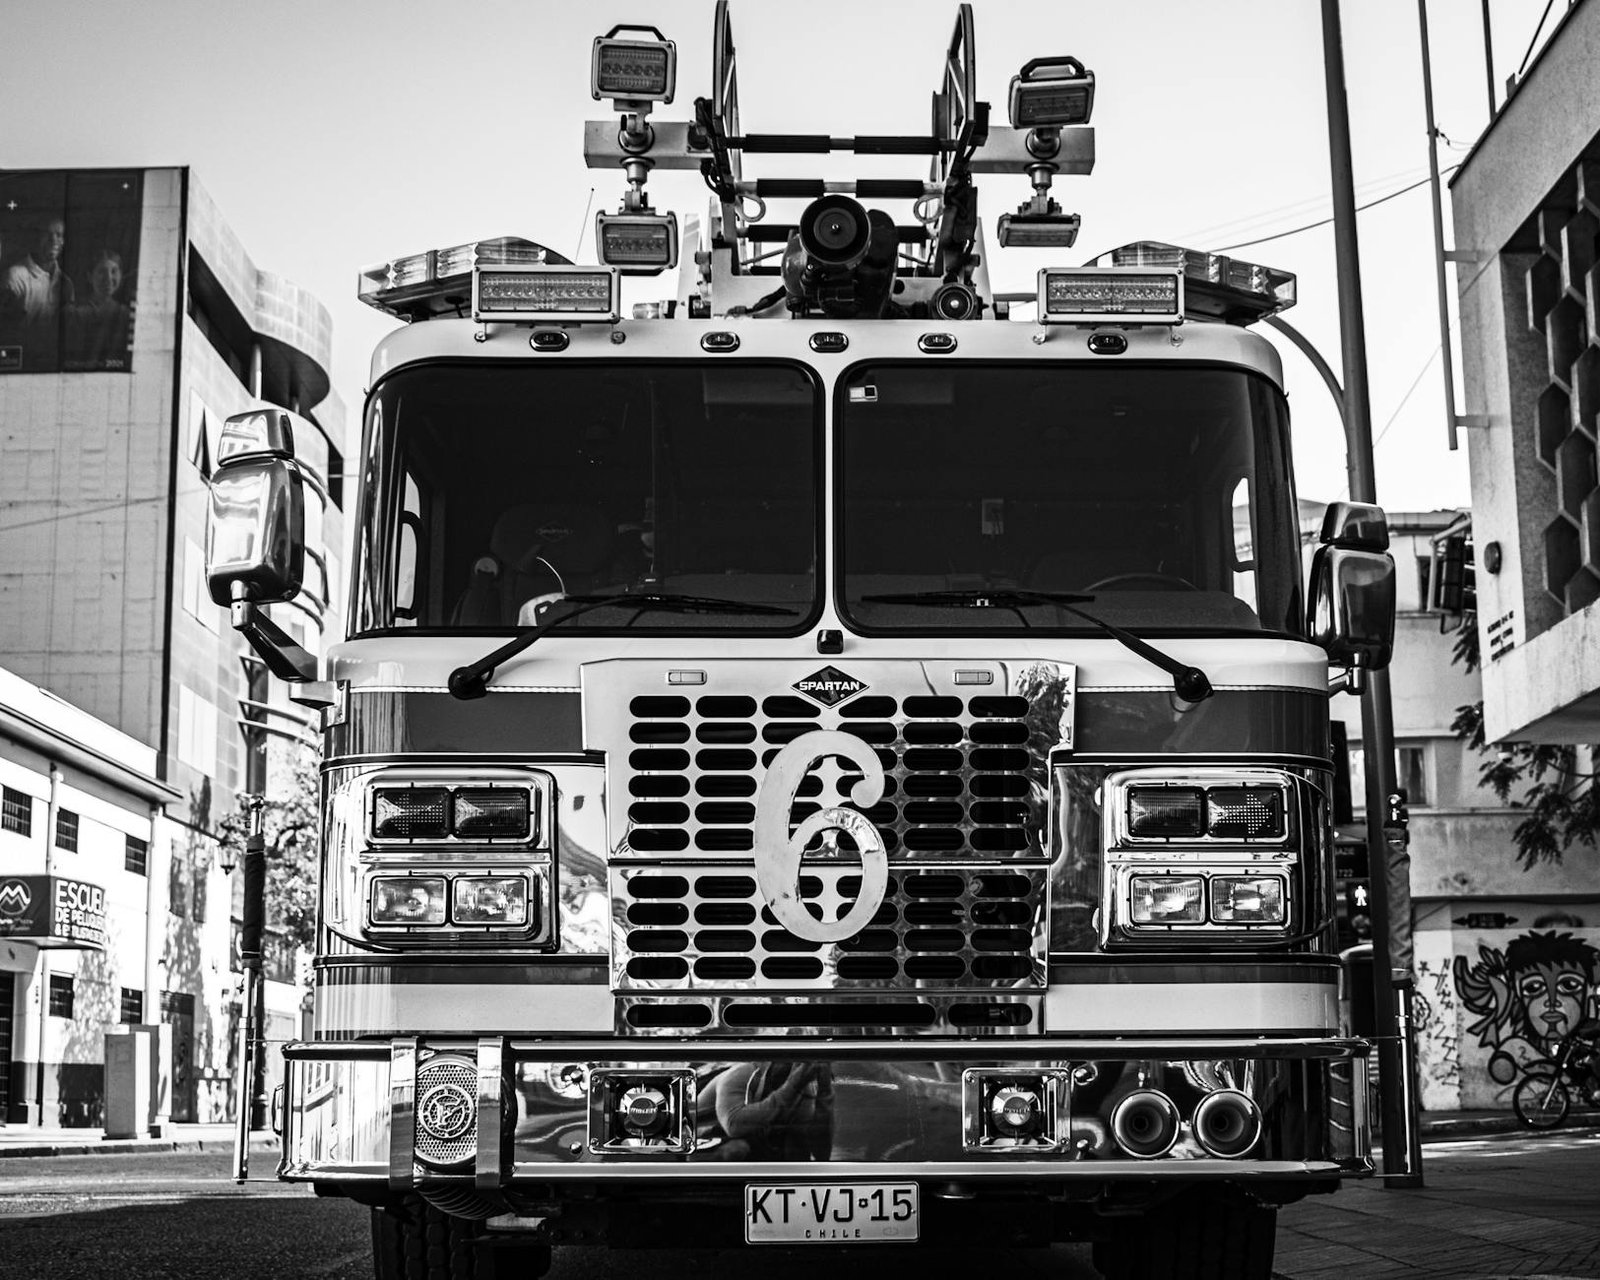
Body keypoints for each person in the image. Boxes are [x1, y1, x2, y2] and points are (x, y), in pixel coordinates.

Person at [2, 218, 73, 370]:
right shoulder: (14, 277)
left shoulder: (66, 284)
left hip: (52, 364)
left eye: (59, 235)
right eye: (47, 234)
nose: (54, 240)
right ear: (35, 238)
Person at [64, 247, 131, 370]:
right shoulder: (76, 313)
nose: (109, 278)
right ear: (90, 277)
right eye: (101, 272)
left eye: (114, 271)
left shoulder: (125, 314)